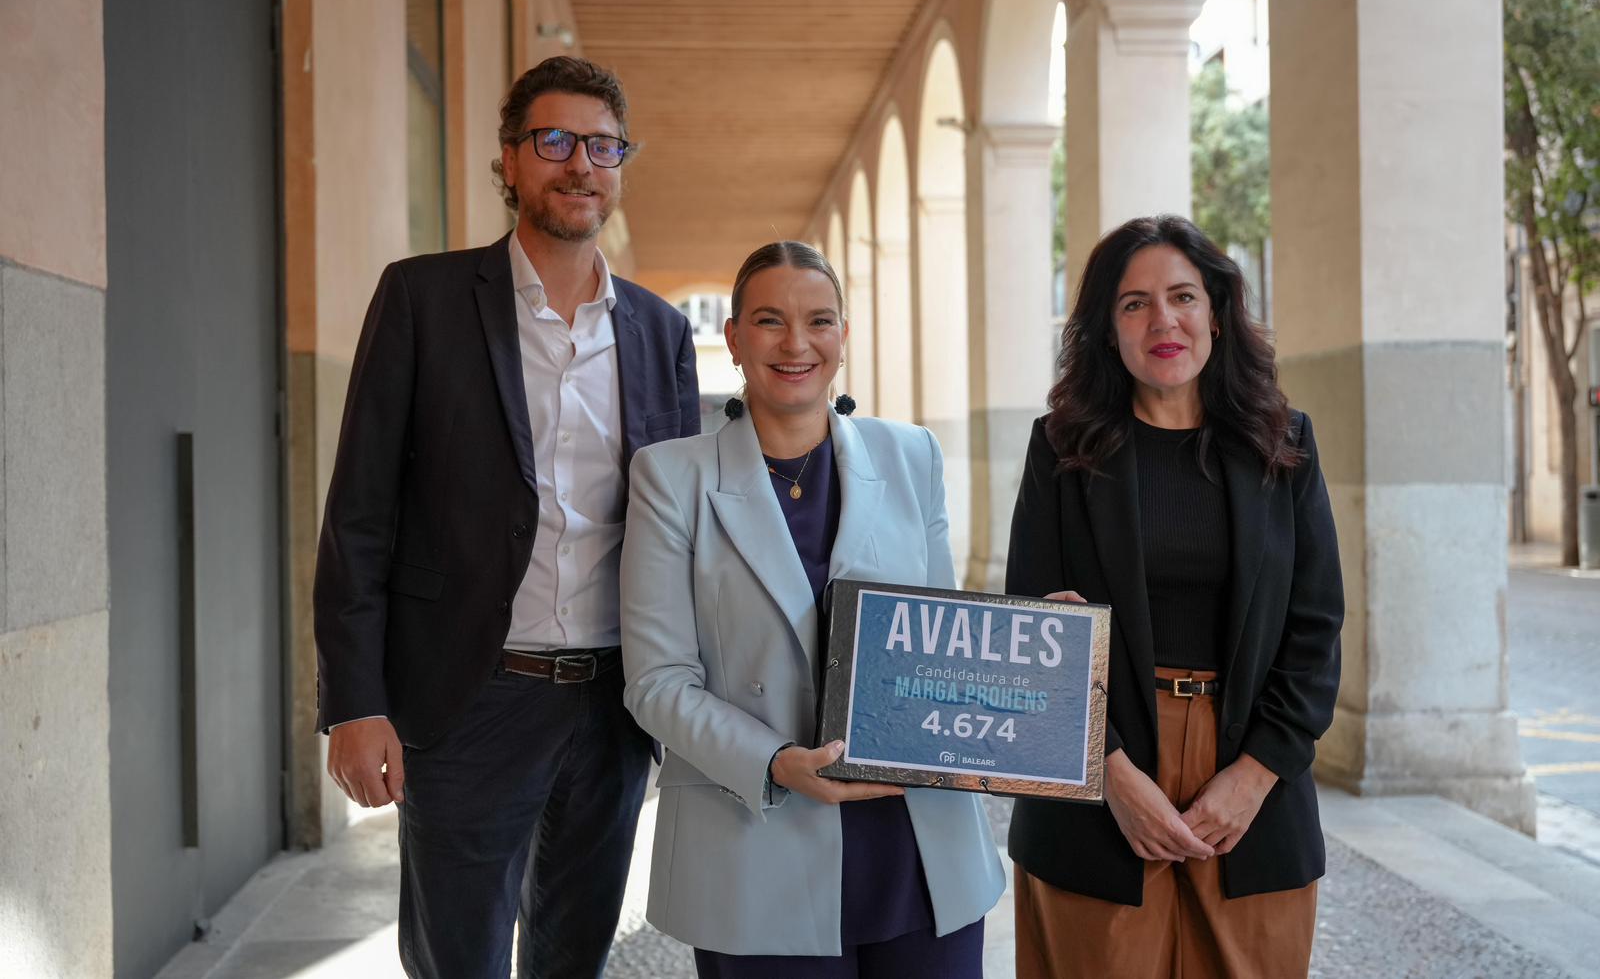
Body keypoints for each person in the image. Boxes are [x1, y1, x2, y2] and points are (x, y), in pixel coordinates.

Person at [313, 55, 700, 979]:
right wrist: (355, 703)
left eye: (602, 146)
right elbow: (359, 515)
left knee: (573, 957)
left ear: (621, 164)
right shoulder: (423, 299)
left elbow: (682, 529)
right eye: (555, 141)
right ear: (510, 159)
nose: (580, 165)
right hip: (469, 698)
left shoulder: (659, 332)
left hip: (612, 705)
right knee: (458, 960)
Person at [619, 241, 1004, 978]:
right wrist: (774, 764)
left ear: (843, 337)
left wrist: (1030, 636)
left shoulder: (912, 456)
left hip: (918, 840)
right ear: (734, 338)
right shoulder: (670, 478)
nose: (796, 343)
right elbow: (657, 683)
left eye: (819, 321)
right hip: (754, 834)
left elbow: (942, 640)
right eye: (770, 321)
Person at [1005, 215, 1343, 978]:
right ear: (1107, 328)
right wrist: (1111, 776)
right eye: (1135, 304)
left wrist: (1254, 776)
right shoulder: (1059, 449)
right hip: (1100, 773)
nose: (1164, 320)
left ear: (1216, 315)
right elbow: (1031, 632)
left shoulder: (1283, 444)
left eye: (1183, 297)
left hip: (1252, 779)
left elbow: (1316, 626)